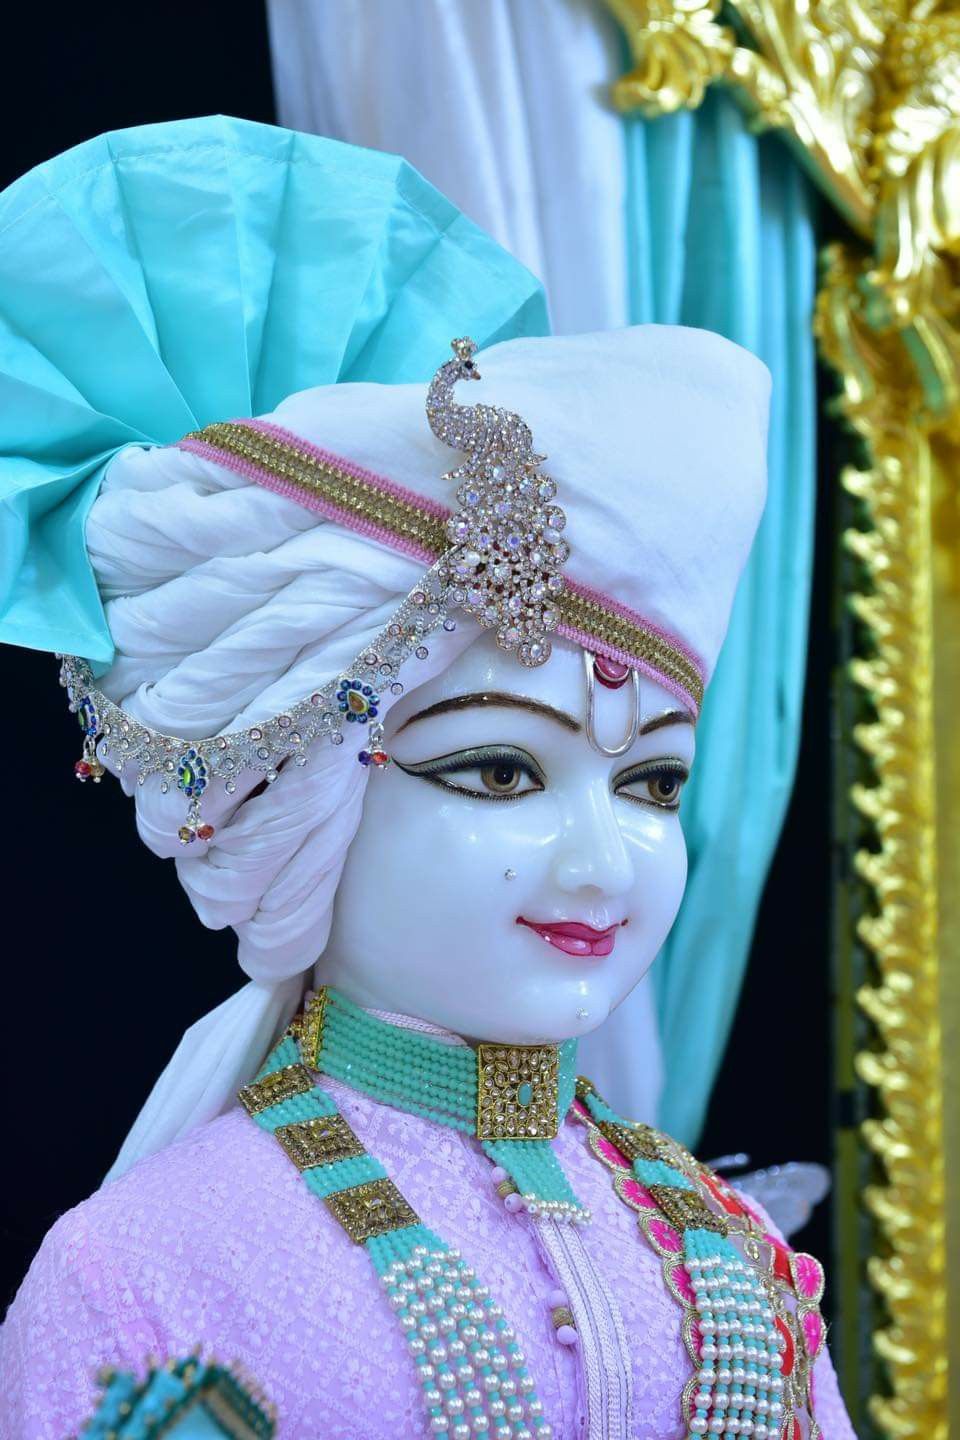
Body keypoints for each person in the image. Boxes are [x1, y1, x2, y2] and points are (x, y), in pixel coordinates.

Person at [0, 117, 855, 1440]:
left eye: (653, 786)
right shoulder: (150, 1274)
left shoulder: (728, 1256)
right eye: (502, 770)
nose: (598, 859)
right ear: (297, 793)